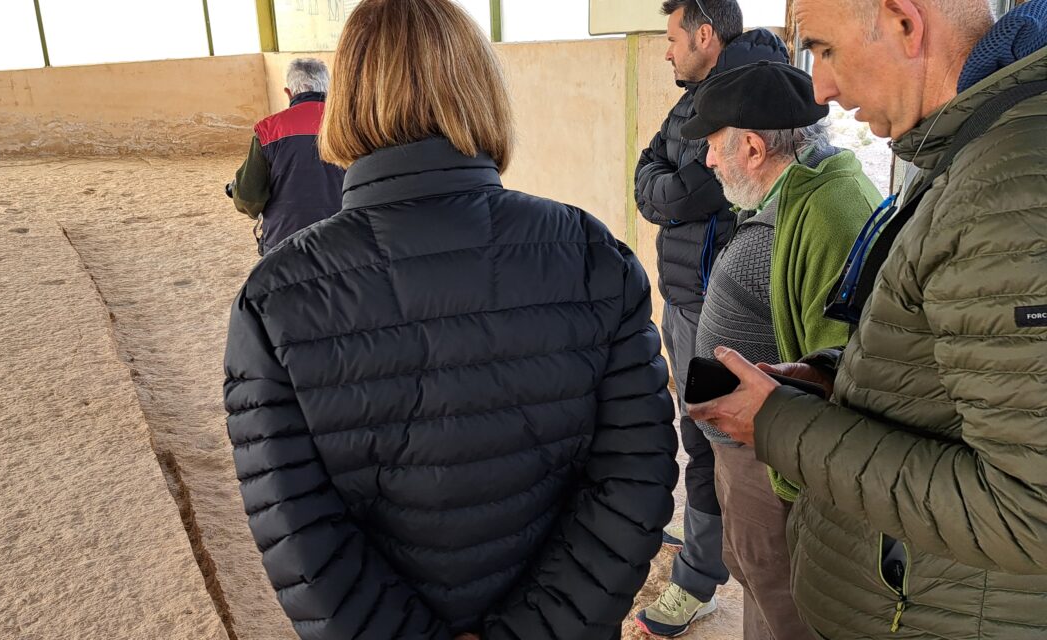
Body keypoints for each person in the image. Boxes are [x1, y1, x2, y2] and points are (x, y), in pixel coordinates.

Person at [222, 0, 679, 638]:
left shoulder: (273, 296)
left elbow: (295, 525)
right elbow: (637, 475)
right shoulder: (589, 253)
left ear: (347, 99)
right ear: (481, 91)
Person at [689, 0, 1047, 638]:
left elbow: (1028, 511)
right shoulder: (968, 155)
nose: (820, 87)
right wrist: (838, 377)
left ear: (906, 22)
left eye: (824, 49)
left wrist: (779, 423)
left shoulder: (1006, 188)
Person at [679, 60, 880, 640]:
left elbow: (846, 368)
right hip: (751, 448)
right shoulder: (792, 199)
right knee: (756, 577)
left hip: (772, 457)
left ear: (751, 147)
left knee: (782, 597)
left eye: (714, 146)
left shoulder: (831, 210)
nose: (708, 161)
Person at [633, 1, 789, 635]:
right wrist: (662, 186)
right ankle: (704, 543)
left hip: (717, 302)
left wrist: (663, 187)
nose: (666, 51)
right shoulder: (695, 95)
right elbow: (650, 177)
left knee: (718, 439)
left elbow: (680, 192)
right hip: (684, 295)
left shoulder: (743, 98)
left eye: (672, 37)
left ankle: (700, 576)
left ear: (704, 34)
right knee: (697, 431)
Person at [227, 58, 344, 255]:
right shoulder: (351, 125)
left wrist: (235, 190)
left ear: (289, 93)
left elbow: (248, 199)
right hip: (343, 240)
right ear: (329, 90)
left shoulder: (268, 130)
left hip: (284, 244)